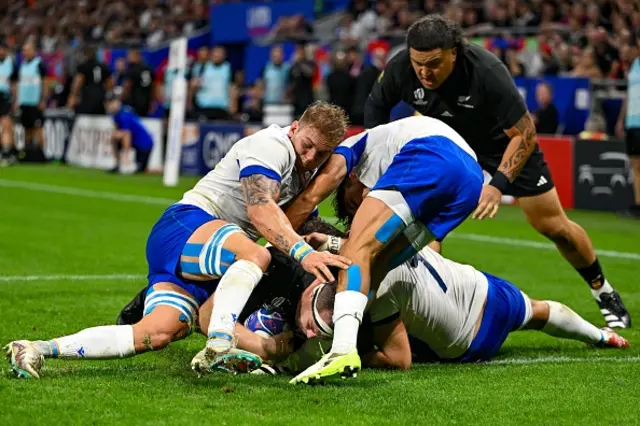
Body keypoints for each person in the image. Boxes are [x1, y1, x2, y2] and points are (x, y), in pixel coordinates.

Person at [362, 14, 630, 329]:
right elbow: (374, 110)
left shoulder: (486, 71)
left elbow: (525, 133)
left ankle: (603, 290)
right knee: (427, 227)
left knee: (554, 227)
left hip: (502, 144)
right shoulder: (401, 69)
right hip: (451, 149)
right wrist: (378, 167)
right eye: (418, 63)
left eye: (433, 63)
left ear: (454, 53)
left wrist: (498, 184)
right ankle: (431, 315)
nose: (424, 72)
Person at [288, 114, 483, 384]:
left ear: (351, 177)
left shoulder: (353, 147)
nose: (364, 201)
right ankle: (343, 342)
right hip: (471, 181)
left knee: (357, 249)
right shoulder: (390, 161)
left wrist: (276, 240)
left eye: (354, 201)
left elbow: (310, 198)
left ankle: (342, 349)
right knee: (377, 264)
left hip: (434, 152)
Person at [616, 41, 640, 219]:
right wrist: (621, 119)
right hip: (632, 123)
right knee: (635, 165)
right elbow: (629, 95)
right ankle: (638, 205)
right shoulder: (633, 67)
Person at [14, 42, 48, 160]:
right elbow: (19, 84)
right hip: (24, 102)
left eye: (27, 50)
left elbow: (45, 82)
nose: (24, 53)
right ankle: (27, 154)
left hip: (35, 102)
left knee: (38, 128)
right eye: (23, 50)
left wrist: (43, 99)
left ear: (34, 51)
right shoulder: (22, 65)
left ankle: (43, 154)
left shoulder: (39, 64)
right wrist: (17, 100)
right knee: (26, 128)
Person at [105, 91, 154, 174]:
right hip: (136, 142)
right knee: (114, 138)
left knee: (140, 170)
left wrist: (126, 156)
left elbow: (127, 135)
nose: (109, 105)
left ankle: (125, 163)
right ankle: (118, 164)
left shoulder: (124, 115)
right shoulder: (115, 114)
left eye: (111, 102)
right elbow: (117, 130)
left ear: (118, 102)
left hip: (144, 144)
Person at [67, 46, 113, 115]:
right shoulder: (103, 67)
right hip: (100, 100)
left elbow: (78, 83)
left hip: (86, 99)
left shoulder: (83, 66)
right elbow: (110, 84)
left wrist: (73, 96)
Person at [122, 50, 155, 117]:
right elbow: (153, 87)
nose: (128, 58)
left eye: (130, 55)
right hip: (146, 101)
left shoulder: (132, 69)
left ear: (136, 56)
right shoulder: (149, 69)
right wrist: (152, 101)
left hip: (134, 101)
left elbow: (127, 85)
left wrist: (122, 97)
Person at [0, 40, 17, 164]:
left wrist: (16, 99)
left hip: (4, 96)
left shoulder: (10, 63)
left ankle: (6, 153)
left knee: (6, 124)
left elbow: (14, 83)